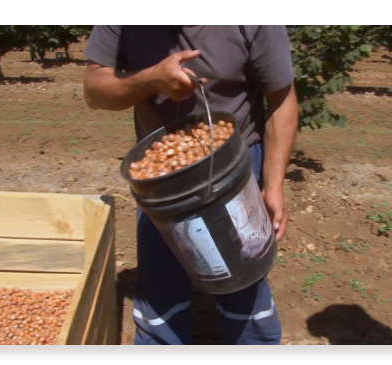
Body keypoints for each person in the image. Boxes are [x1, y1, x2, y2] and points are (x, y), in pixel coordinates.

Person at [83, 25, 298, 345]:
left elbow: (282, 99)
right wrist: (150, 79)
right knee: (161, 283)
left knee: (242, 279)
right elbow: (94, 90)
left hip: (233, 165)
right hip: (159, 174)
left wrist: (274, 184)